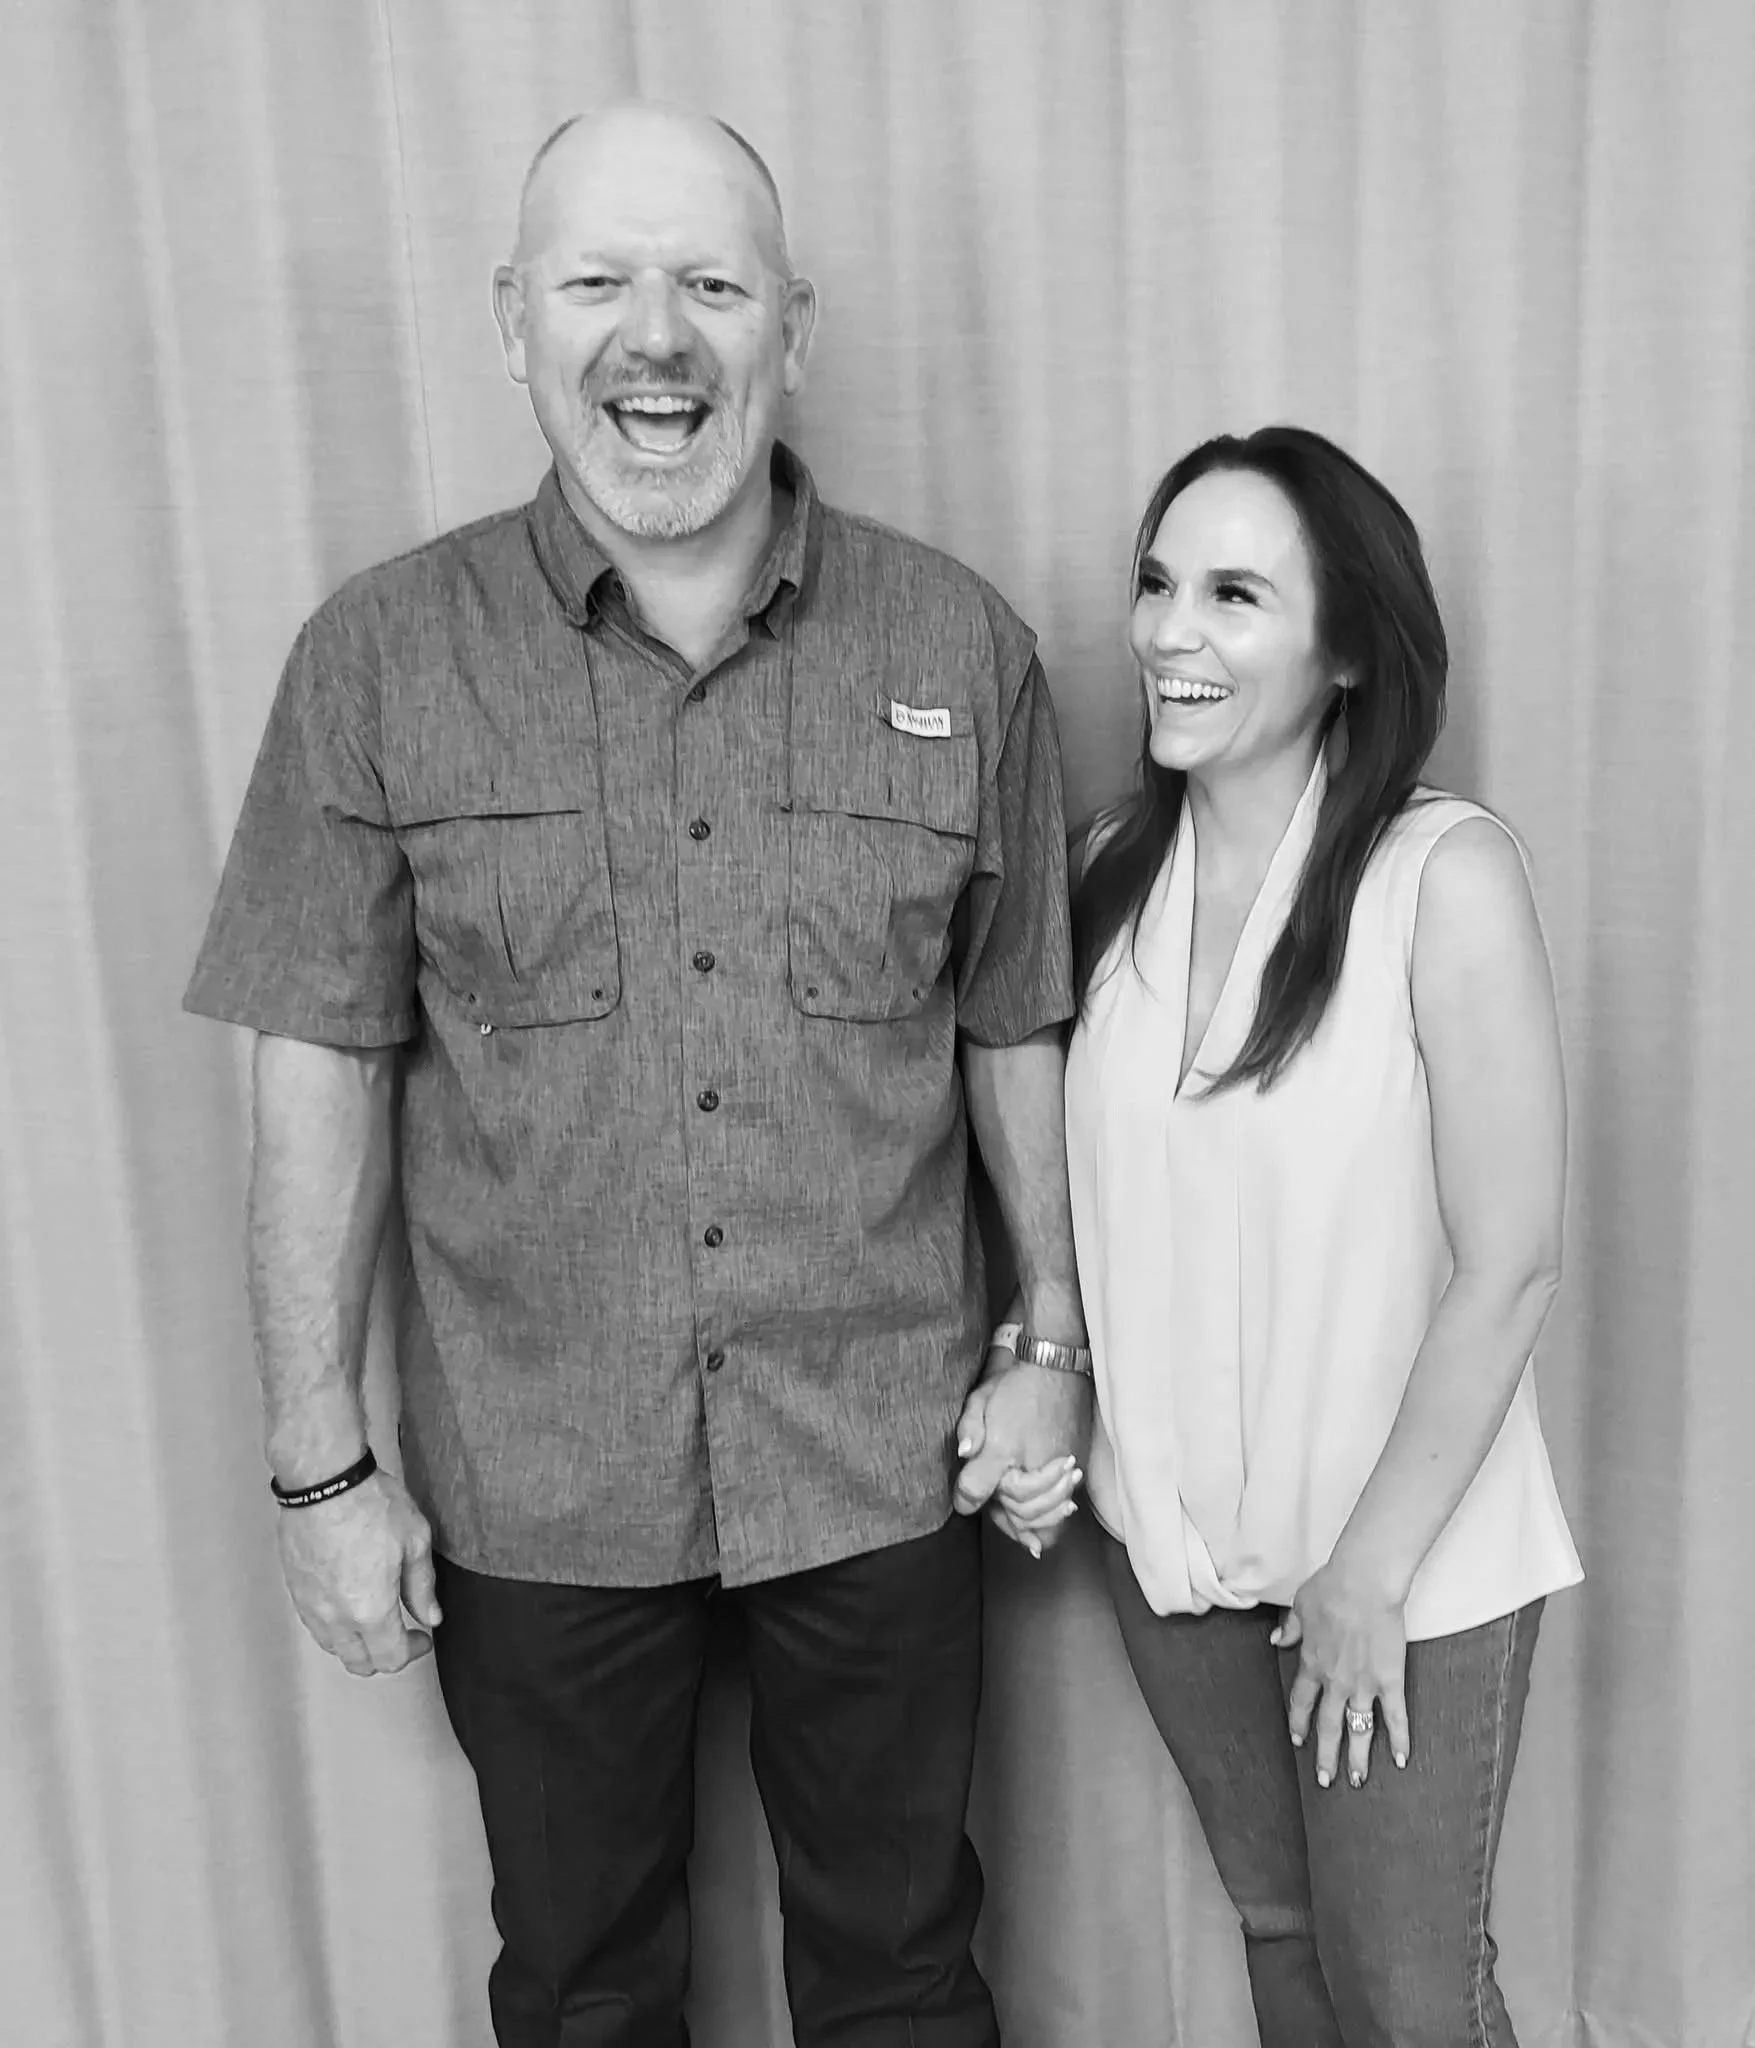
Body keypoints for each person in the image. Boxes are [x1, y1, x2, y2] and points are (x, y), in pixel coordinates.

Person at [185, 101, 1092, 2048]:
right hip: (536, 1486)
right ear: (513, 321)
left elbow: (1012, 1019)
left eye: (711, 286)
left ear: (792, 327)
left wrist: (1050, 1338)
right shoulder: (375, 659)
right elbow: (316, 1063)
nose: (654, 337)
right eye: (597, 281)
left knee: (905, 1982)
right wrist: (319, 1467)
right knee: (583, 1995)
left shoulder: (959, 643)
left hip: (878, 1462)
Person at [995, 426, 1584, 2046]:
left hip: (1399, 1557)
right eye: (1157, 582)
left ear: (1344, 651)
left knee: (1405, 1994)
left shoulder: (1439, 876)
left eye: (1234, 594)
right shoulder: (1104, 873)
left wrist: (1364, 1576)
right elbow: (1085, 1204)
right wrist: (1035, 1382)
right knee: (1284, 1947)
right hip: (1173, 1544)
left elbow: (1511, 1260)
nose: (1169, 631)